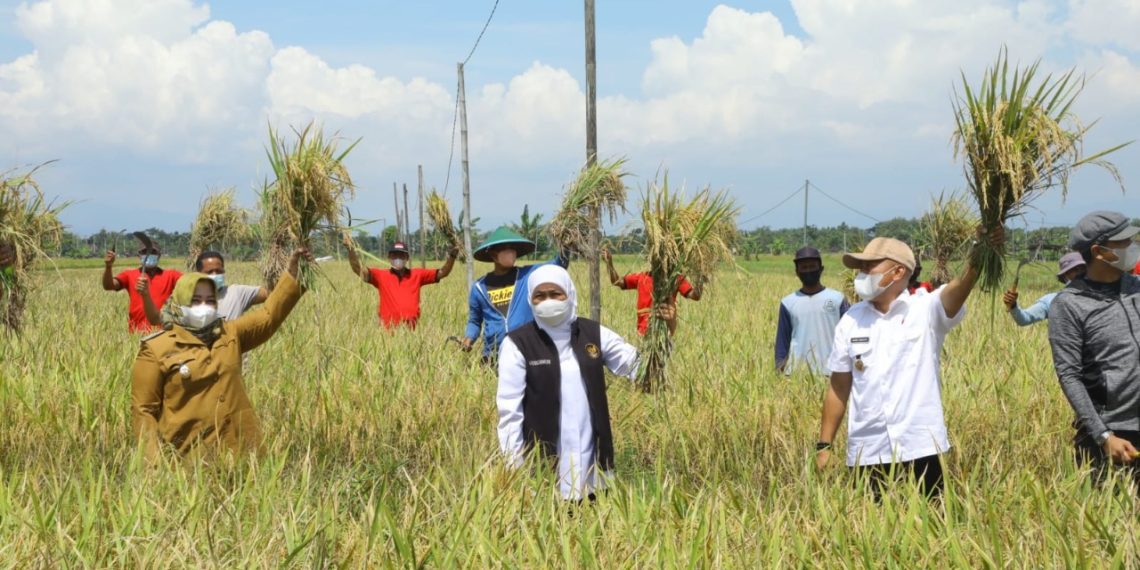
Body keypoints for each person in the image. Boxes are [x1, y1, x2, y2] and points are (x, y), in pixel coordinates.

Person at [815, 230, 998, 498]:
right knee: (869, 530)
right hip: (868, 450)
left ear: (898, 271)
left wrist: (981, 252)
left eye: (870, 266)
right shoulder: (851, 320)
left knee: (932, 529)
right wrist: (824, 444)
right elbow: (839, 388)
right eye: (861, 268)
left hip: (921, 447)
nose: (862, 274)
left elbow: (960, 287)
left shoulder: (926, 309)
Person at [130, 248, 312, 462]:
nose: (204, 307)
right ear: (179, 304)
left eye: (210, 301)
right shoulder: (157, 348)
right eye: (196, 301)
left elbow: (269, 316)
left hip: (242, 454)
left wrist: (293, 274)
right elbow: (143, 411)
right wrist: (153, 465)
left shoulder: (229, 334)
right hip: (188, 461)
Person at [496, 264, 646, 500]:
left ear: (569, 294)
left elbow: (642, 369)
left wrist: (665, 331)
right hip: (545, 474)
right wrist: (514, 471)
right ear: (530, 300)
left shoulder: (593, 334)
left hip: (595, 469)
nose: (548, 301)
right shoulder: (517, 344)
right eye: (540, 296)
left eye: (555, 294)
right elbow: (510, 414)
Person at [1047, 211, 1140, 485]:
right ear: (1100, 251)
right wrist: (1103, 436)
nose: (1133, 246)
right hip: (1111, 436)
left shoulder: (1136, 288)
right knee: (1108, 522)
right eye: (1126, 242)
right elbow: (1069, 375)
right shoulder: (1069, 305)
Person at [463, 227, 569, 362]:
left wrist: (566, 244)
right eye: (506, 248)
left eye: (513, 248)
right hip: (493, 355)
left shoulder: (527, 275)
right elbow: (475, 321)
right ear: (494, 255)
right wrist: (469, 339)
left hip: (527, 350)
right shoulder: (479, 288)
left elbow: (557, 265)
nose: (511, 252)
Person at [345, 236, 457, 328]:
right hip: (386, 334)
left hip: (411, 334)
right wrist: (350, 250)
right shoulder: (380, 275)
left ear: (407, 258)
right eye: (394, 255)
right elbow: (358, 269)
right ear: (389, 257)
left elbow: (443, 273)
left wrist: (452, 256)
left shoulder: (417, 275)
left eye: (401, 255)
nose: (398, 258)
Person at [775, 247, 849, 376]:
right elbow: (783, 341)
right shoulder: (788, 302)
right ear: (797, 272)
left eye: (812, 266)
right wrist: (779, 371)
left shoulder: (838, 299)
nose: (808, 271)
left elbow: (849, 335)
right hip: (796, 374)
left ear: (821, 269)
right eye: (804, 267)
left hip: (831, 372)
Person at [602, 248, 701, 336]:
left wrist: (700, 277)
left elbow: (695, 295)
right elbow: (617, 281)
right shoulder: (642, 277)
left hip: (665, 334)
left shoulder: (674, 278)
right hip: (642, 333)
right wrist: (609, 264)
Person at [102, 244, 182, 332]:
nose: (148, 255)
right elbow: (108, 286)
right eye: (144, 252)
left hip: (163, 332)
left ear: (159, 255)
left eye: (153, 252)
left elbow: (191, 283)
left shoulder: (171, 275)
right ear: (139, 256)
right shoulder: (129, 275)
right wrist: (108, 266)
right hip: (137, 332)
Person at [1002, 252, 1086, 327]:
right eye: (1075, 270)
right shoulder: (1051, 300)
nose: (1080, 273)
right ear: (1065, 275)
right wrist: (1013, 305)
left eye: (1083, 269)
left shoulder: (1097, 297)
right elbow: (1024, 319)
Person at [189, 251, 269, 322]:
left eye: (219, 271)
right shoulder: (189, 298)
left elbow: (270, 293)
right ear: (198, 274)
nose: (215, 275)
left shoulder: (236, 293)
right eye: (209, 272)